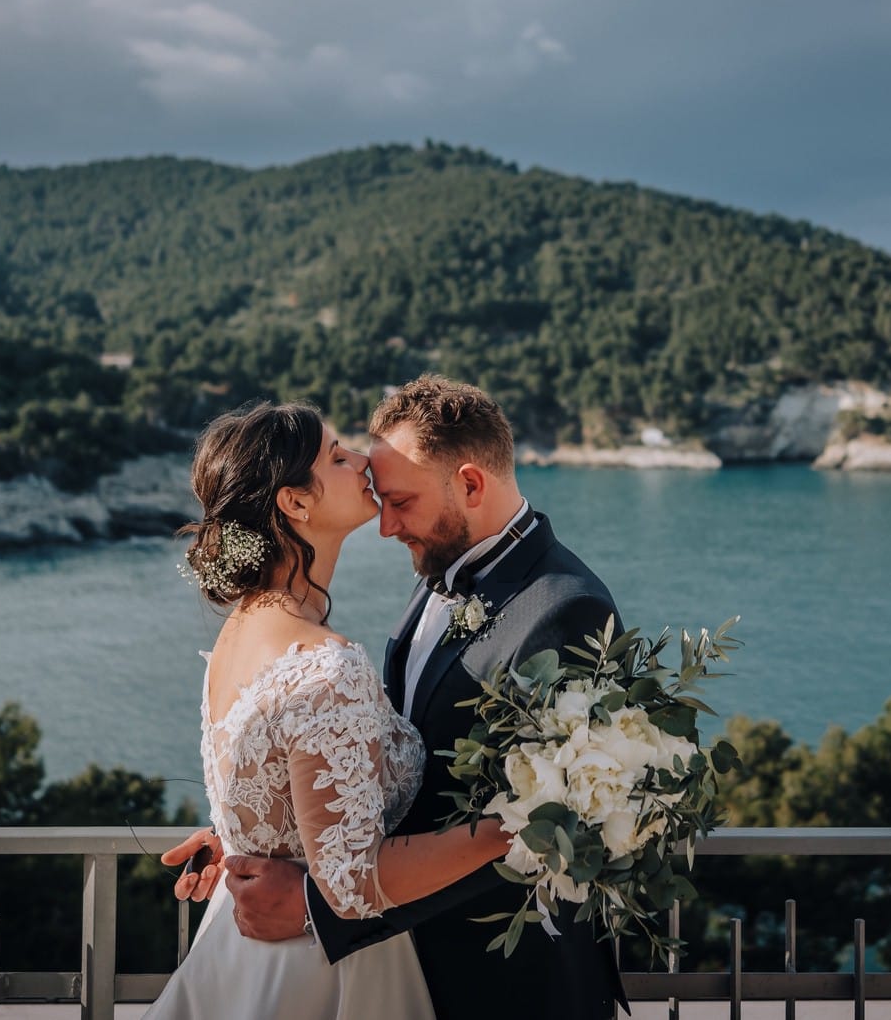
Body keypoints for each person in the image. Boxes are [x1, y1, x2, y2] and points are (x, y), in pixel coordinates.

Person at [164, 375, 628, 1020]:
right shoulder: (425, 572)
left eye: (400, 501)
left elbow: (555, 823)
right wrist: (267, 830)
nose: (386, 526)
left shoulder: (564, 610)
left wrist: (310, 900)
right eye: (346, 464)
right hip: (357, 962)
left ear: (469, 484)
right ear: (294, 503)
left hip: (497, 975)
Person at [146, 400, 510, 1020]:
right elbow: (349, 882)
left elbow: (272, 790)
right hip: (318, 974)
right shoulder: (324, 665)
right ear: (295, 502)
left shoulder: (239, 633)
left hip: (242, 951)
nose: (362, 461)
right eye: (338, 457)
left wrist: (236, 838)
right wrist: (509, 830)